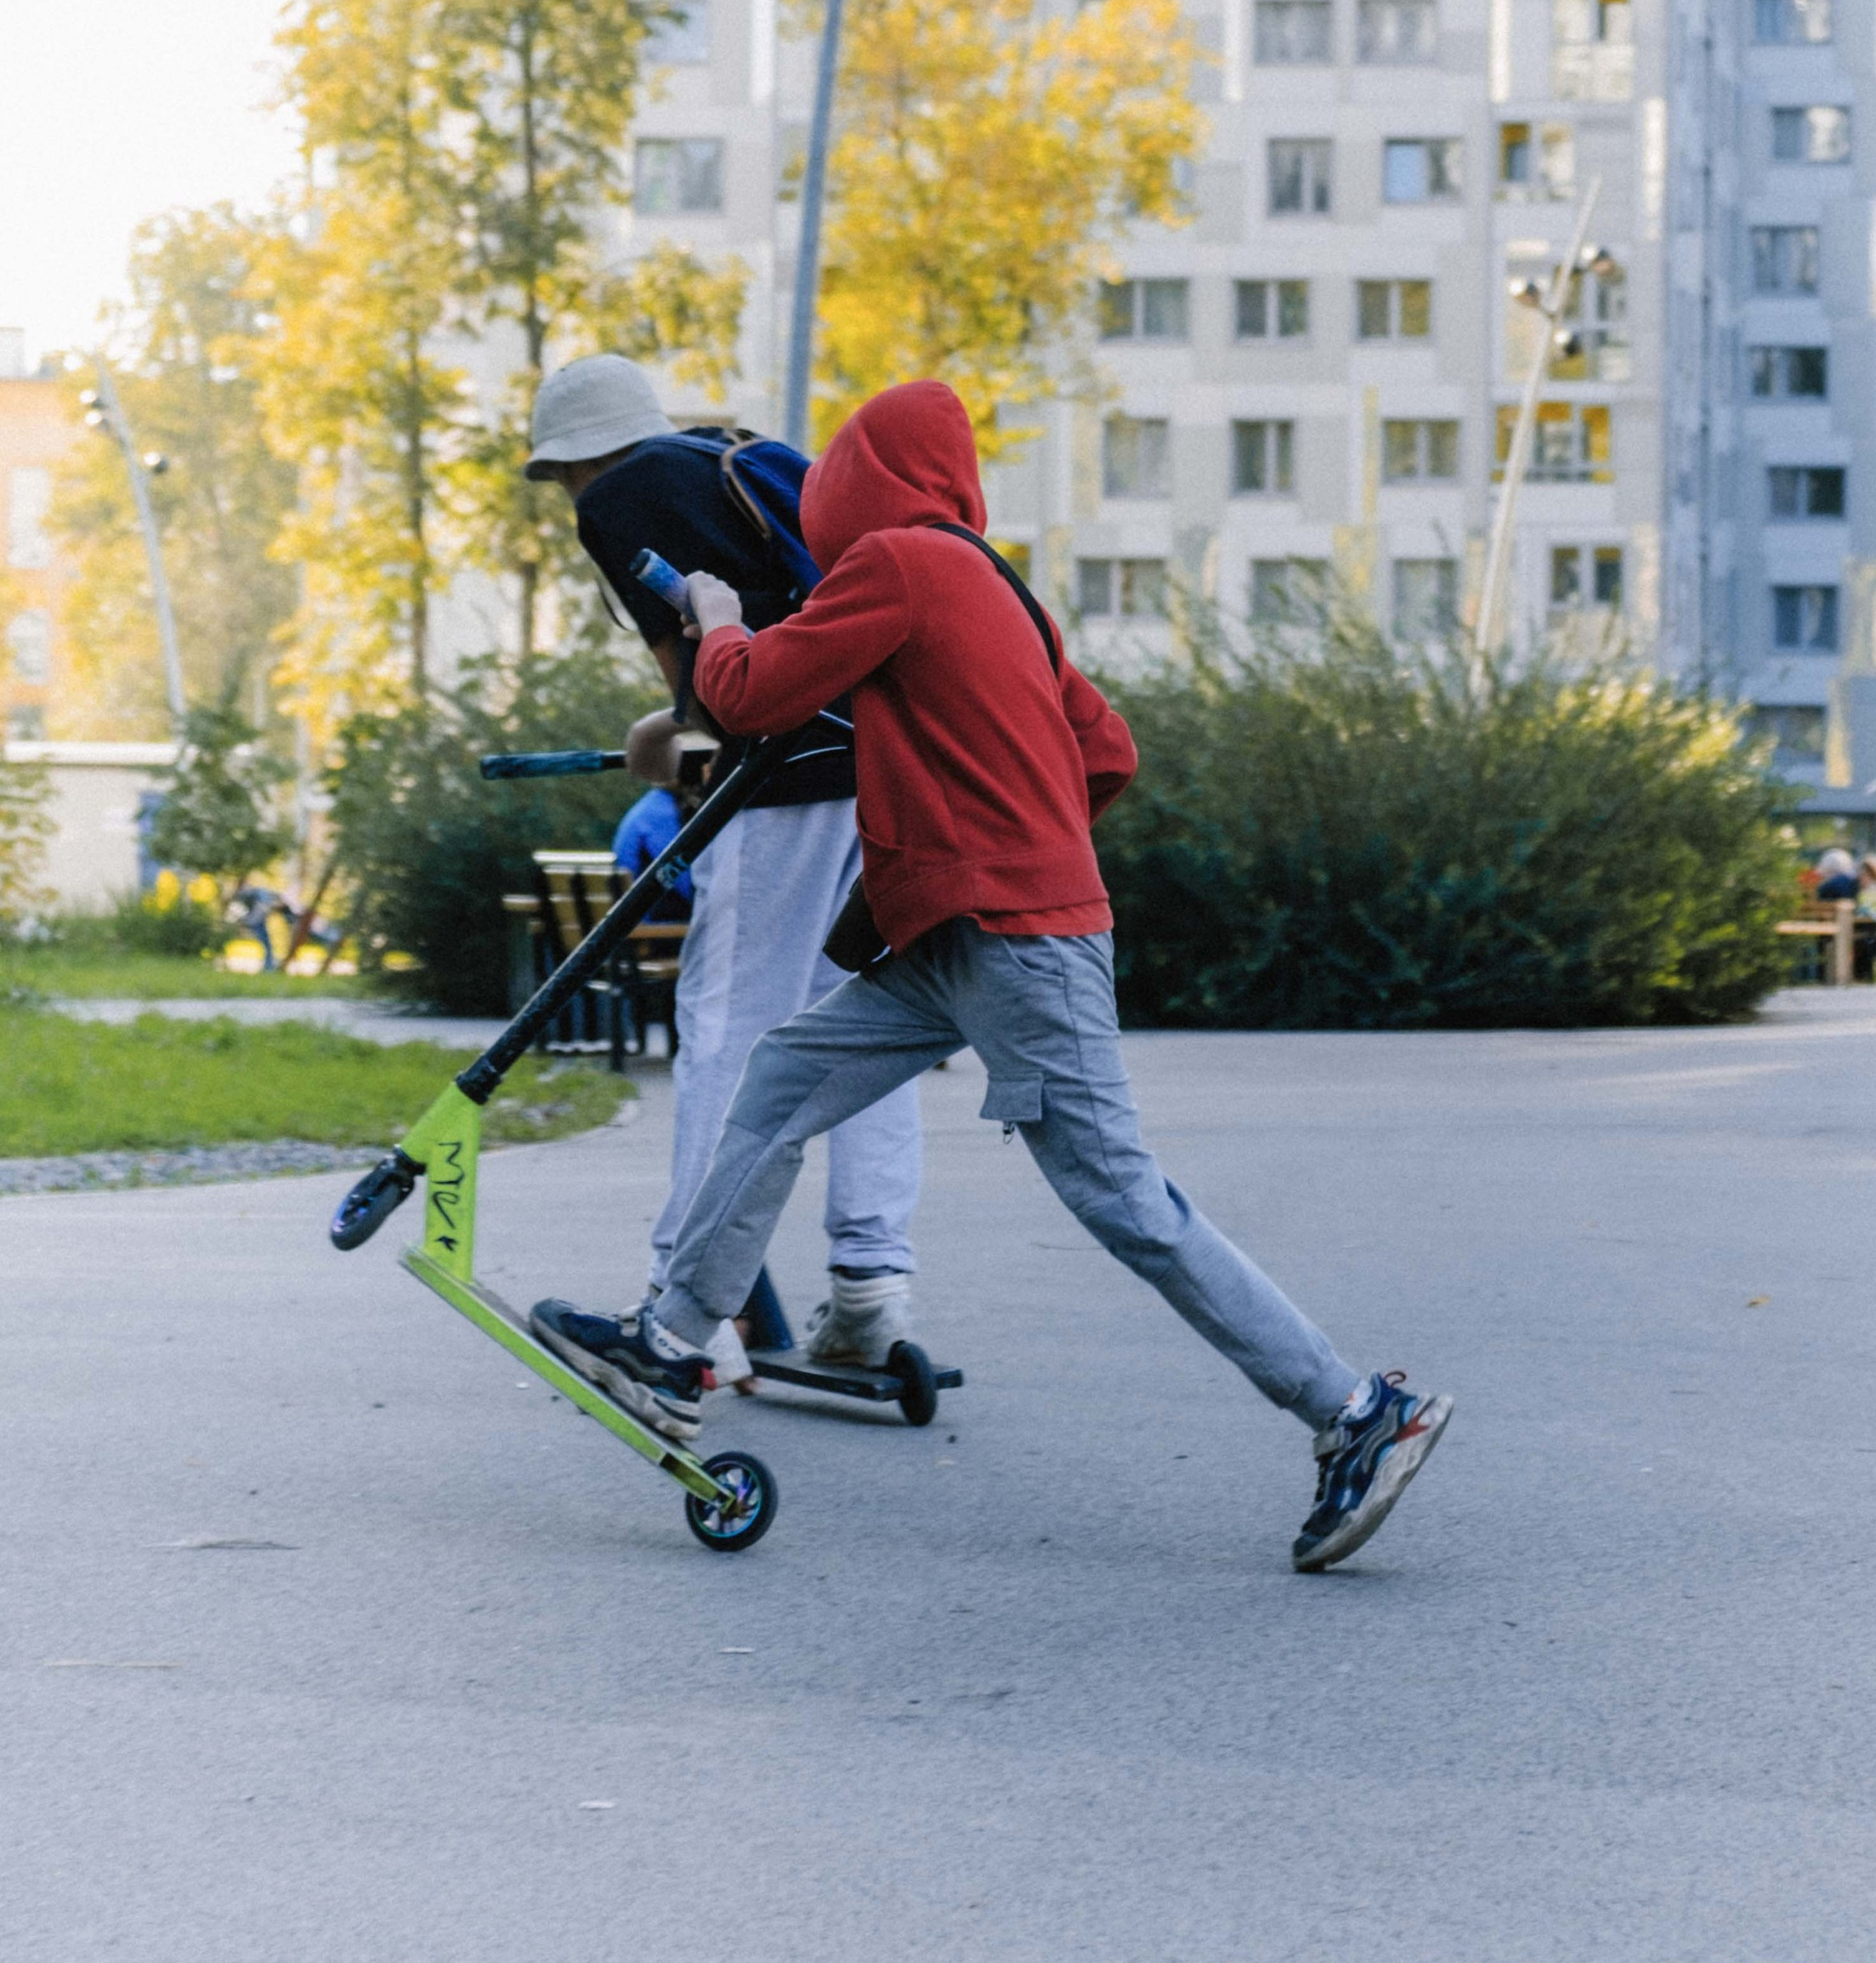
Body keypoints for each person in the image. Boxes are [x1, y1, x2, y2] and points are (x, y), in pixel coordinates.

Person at [555, 376, 1453, 1577]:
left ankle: (1356, 1414)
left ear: (861, 489)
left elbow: (751, 690)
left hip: (1015, 942)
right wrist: (1000, 829)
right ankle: (670, 1341)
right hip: (959, 941)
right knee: (781, 1077)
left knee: (1126, 1201)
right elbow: (1106, 747)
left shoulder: (896, 562)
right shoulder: (1002, 592)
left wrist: (718, 614)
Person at [517, 354, 926, 1395]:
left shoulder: (622, 495)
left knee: (725, 1030)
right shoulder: (739, 454)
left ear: (572, 458)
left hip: (787, 782)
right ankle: (872, 1290)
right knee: (862, 1030)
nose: (567, 494)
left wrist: (661, 734)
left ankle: (682, 1311)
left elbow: (710, 694)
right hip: (886, 768)